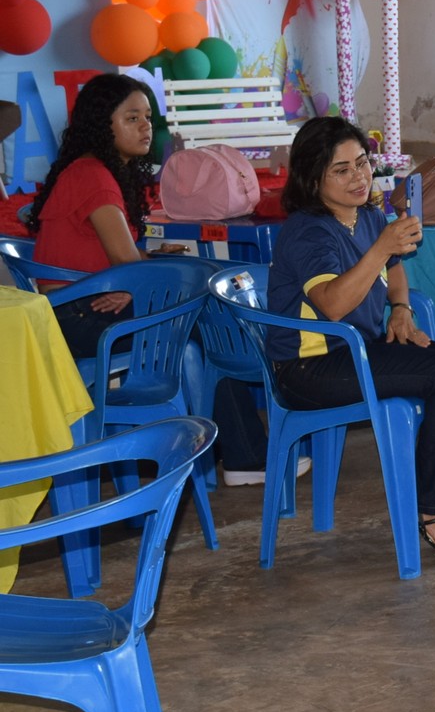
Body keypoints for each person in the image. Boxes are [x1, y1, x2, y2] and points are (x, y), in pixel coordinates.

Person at [29, 73, 274, 484]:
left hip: (78, 303)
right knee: (204, 327)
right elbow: (125, 261)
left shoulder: (95, 170)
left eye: (147, 117)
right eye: (132, 118)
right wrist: (133, 277)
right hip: (74, 315)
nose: (145, 127)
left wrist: (138, 273)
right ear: (101, 124)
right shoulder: (92, 175)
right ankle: (241, 456)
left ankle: (221, 452)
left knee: (192, 314)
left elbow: (121, 260)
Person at [268, 117, 435, 562]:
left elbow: (396, 271)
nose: (359, 177)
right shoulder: (308, 230)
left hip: (359, 352)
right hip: (310, 368)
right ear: (313, 178)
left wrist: (401, 308)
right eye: (342, 169)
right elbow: (332, 304)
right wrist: (382, 248)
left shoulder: (366, 215)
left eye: (362, 163)